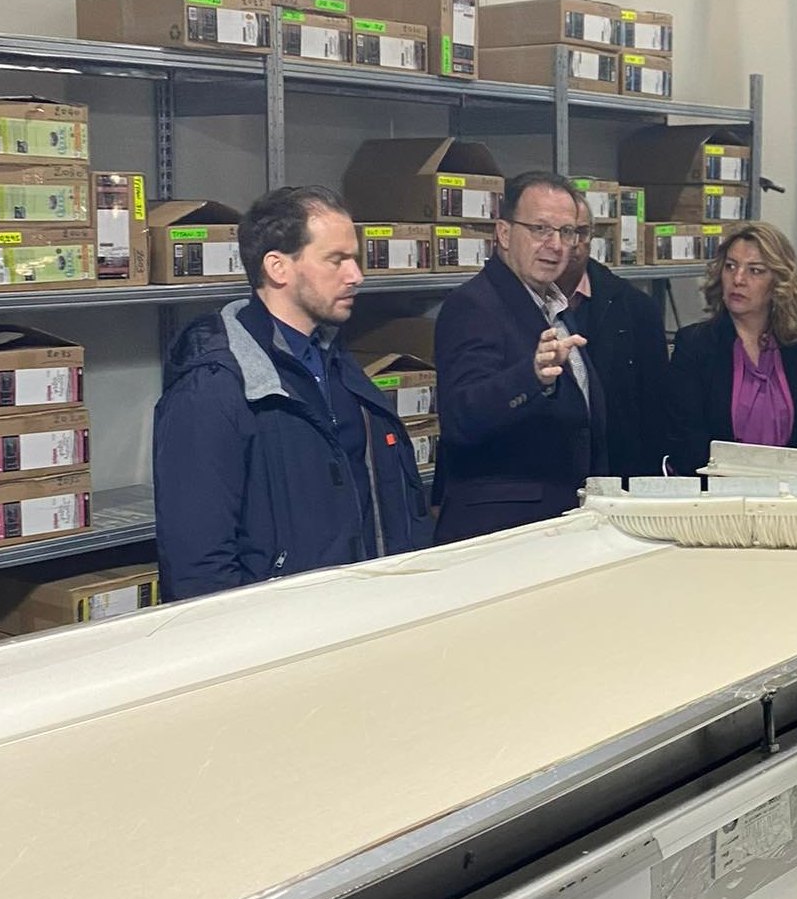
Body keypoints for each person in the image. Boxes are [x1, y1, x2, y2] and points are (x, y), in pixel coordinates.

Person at [153, 185, 431, 602]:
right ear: (278, 268)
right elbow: (198, 566)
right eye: (336, 260)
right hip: (281, 627)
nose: (356, 275)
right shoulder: (213, 388)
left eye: (354, 259)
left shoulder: (337, 365)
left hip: (361, 612)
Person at [432, 170, 605, 543]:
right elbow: (461, 416)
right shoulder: (473, 306)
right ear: (504, 233)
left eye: (567, 232)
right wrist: (532, 376)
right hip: (502, 531)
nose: (555, 245)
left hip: (559, 524)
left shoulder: (555, 307)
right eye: (540, 229)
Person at [668, 221, 797, 475]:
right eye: (730, 266)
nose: (738, 279)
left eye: (754, 271)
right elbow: (686, 442)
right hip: (718, 491)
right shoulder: (695, 345)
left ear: (778, 281)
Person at [557, 192, 669, 478]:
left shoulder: (636, 309)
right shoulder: (515, 306)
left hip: (619, 472)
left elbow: (655, 409)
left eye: (581, 232)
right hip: (546, 474)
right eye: (564, 231)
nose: (572, 243)